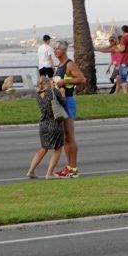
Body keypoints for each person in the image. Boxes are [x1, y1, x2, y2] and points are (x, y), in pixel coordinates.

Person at [53, 40, 86, 178]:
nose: (55, 51)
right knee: (65, 137)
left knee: (69, 136)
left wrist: (64, 81)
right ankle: (69, 167)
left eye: (57, 49)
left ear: (64, 50)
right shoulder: (59, 65)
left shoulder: (69, 64)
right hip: (60, 101)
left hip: (68, 102)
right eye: (54, 49)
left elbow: (81, 79)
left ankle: (73, 168)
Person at [26, 77, 64, 180]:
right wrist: (61, 91)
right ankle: (49, 173)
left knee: (43, 149)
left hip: (43, 124)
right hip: (54, 124)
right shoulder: (53, 92)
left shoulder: (38, 95)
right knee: (58, 149)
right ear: (47, 82)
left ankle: (31, 171)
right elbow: (63, 103)